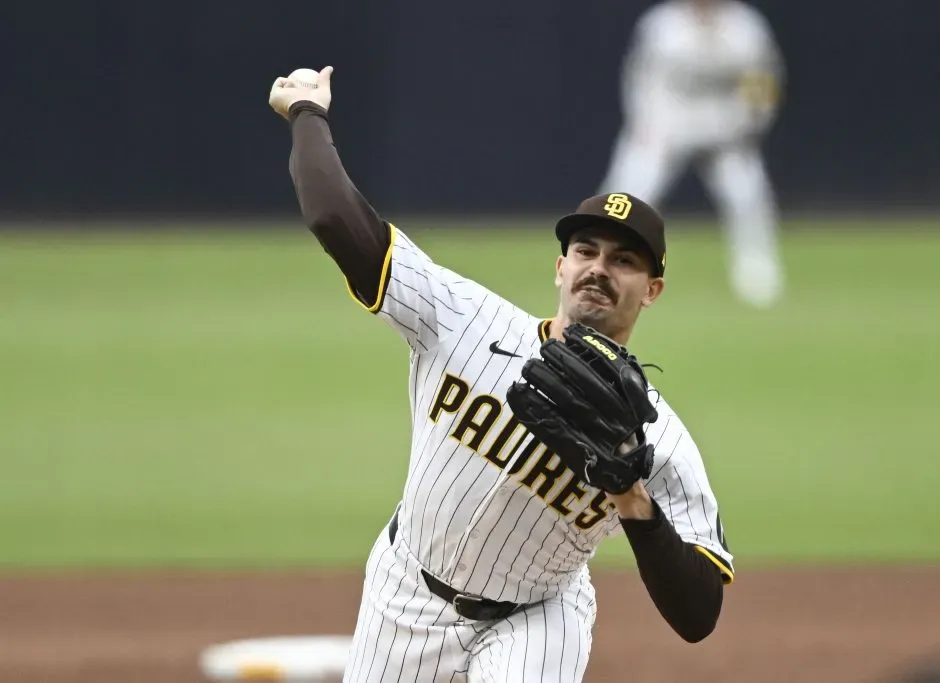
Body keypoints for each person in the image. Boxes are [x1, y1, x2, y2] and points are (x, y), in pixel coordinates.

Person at [268, 66, 734, 683]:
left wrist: (631, 498)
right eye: (586, 252)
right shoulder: (461, 317)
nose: (599, 269)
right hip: (405, 590)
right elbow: (336, 219)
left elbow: (699, 613)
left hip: (539, 619)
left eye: (623, 261)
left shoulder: (658, 438)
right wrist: (307, 113)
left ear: (652, 290)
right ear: (560, 268)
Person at [597, 0, 786, 308]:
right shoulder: (662, 25)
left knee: (747, 194)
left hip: (726, 125)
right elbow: (641, 80)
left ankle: (758, 276)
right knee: (626, 194)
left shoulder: (746, 28)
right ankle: (599, 270)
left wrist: (750, 123)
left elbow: (763, 81)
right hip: (670, 121)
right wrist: (646, 125)